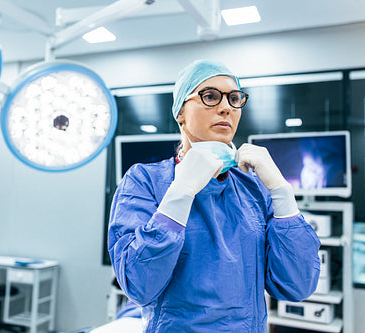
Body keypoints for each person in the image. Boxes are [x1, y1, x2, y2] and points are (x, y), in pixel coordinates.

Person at [107, 59, 321, 332]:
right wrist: (180, 194)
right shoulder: (144, 181)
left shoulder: (253, 189)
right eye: (210, 96)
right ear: (180, 113)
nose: (226, 107)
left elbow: (297, 285)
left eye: (234, 99)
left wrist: (282, 193)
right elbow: (139, 284)